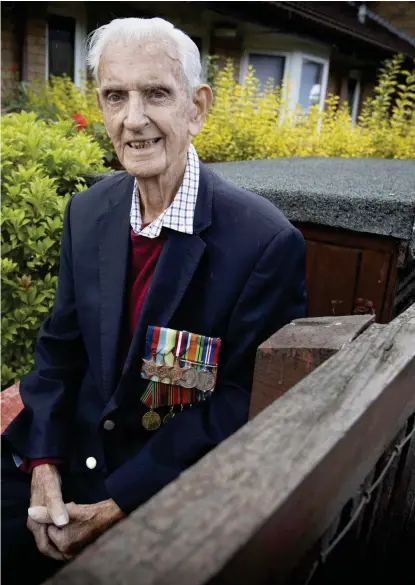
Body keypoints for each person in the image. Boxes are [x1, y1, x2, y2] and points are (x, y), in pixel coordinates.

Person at [1, 17, 307, 584]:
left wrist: (123, 501)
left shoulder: (263, 242)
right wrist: (44, 469)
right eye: (115, 96)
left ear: (197, 108)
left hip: (162, 484)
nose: (133, 120)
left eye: (156, 94)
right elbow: (59, 350)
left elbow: (240, 400)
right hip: (65, 456)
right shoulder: (88, 213)